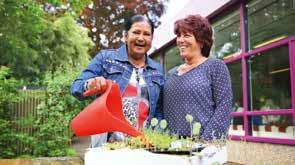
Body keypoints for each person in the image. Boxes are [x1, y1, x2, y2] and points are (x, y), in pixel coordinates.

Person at [71, 15, 164, 147]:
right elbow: (76, 87)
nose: (141, 38)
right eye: (136, 32)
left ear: (151, 39)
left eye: (146, 34)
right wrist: (89, 84)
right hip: (108, 145)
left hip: (144, 145)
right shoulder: (106, 59)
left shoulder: (157, 70)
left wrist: (157, 138)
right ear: (125, 36)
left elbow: (159, 110)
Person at [163, 15, 233, 141]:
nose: (180, 40)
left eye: (186, 35)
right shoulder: (171, 73)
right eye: (179, 36)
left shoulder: (215, 67)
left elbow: (224, 107)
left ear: (201, 41)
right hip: (169, 146)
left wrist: (206, 143)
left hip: (203, 147)